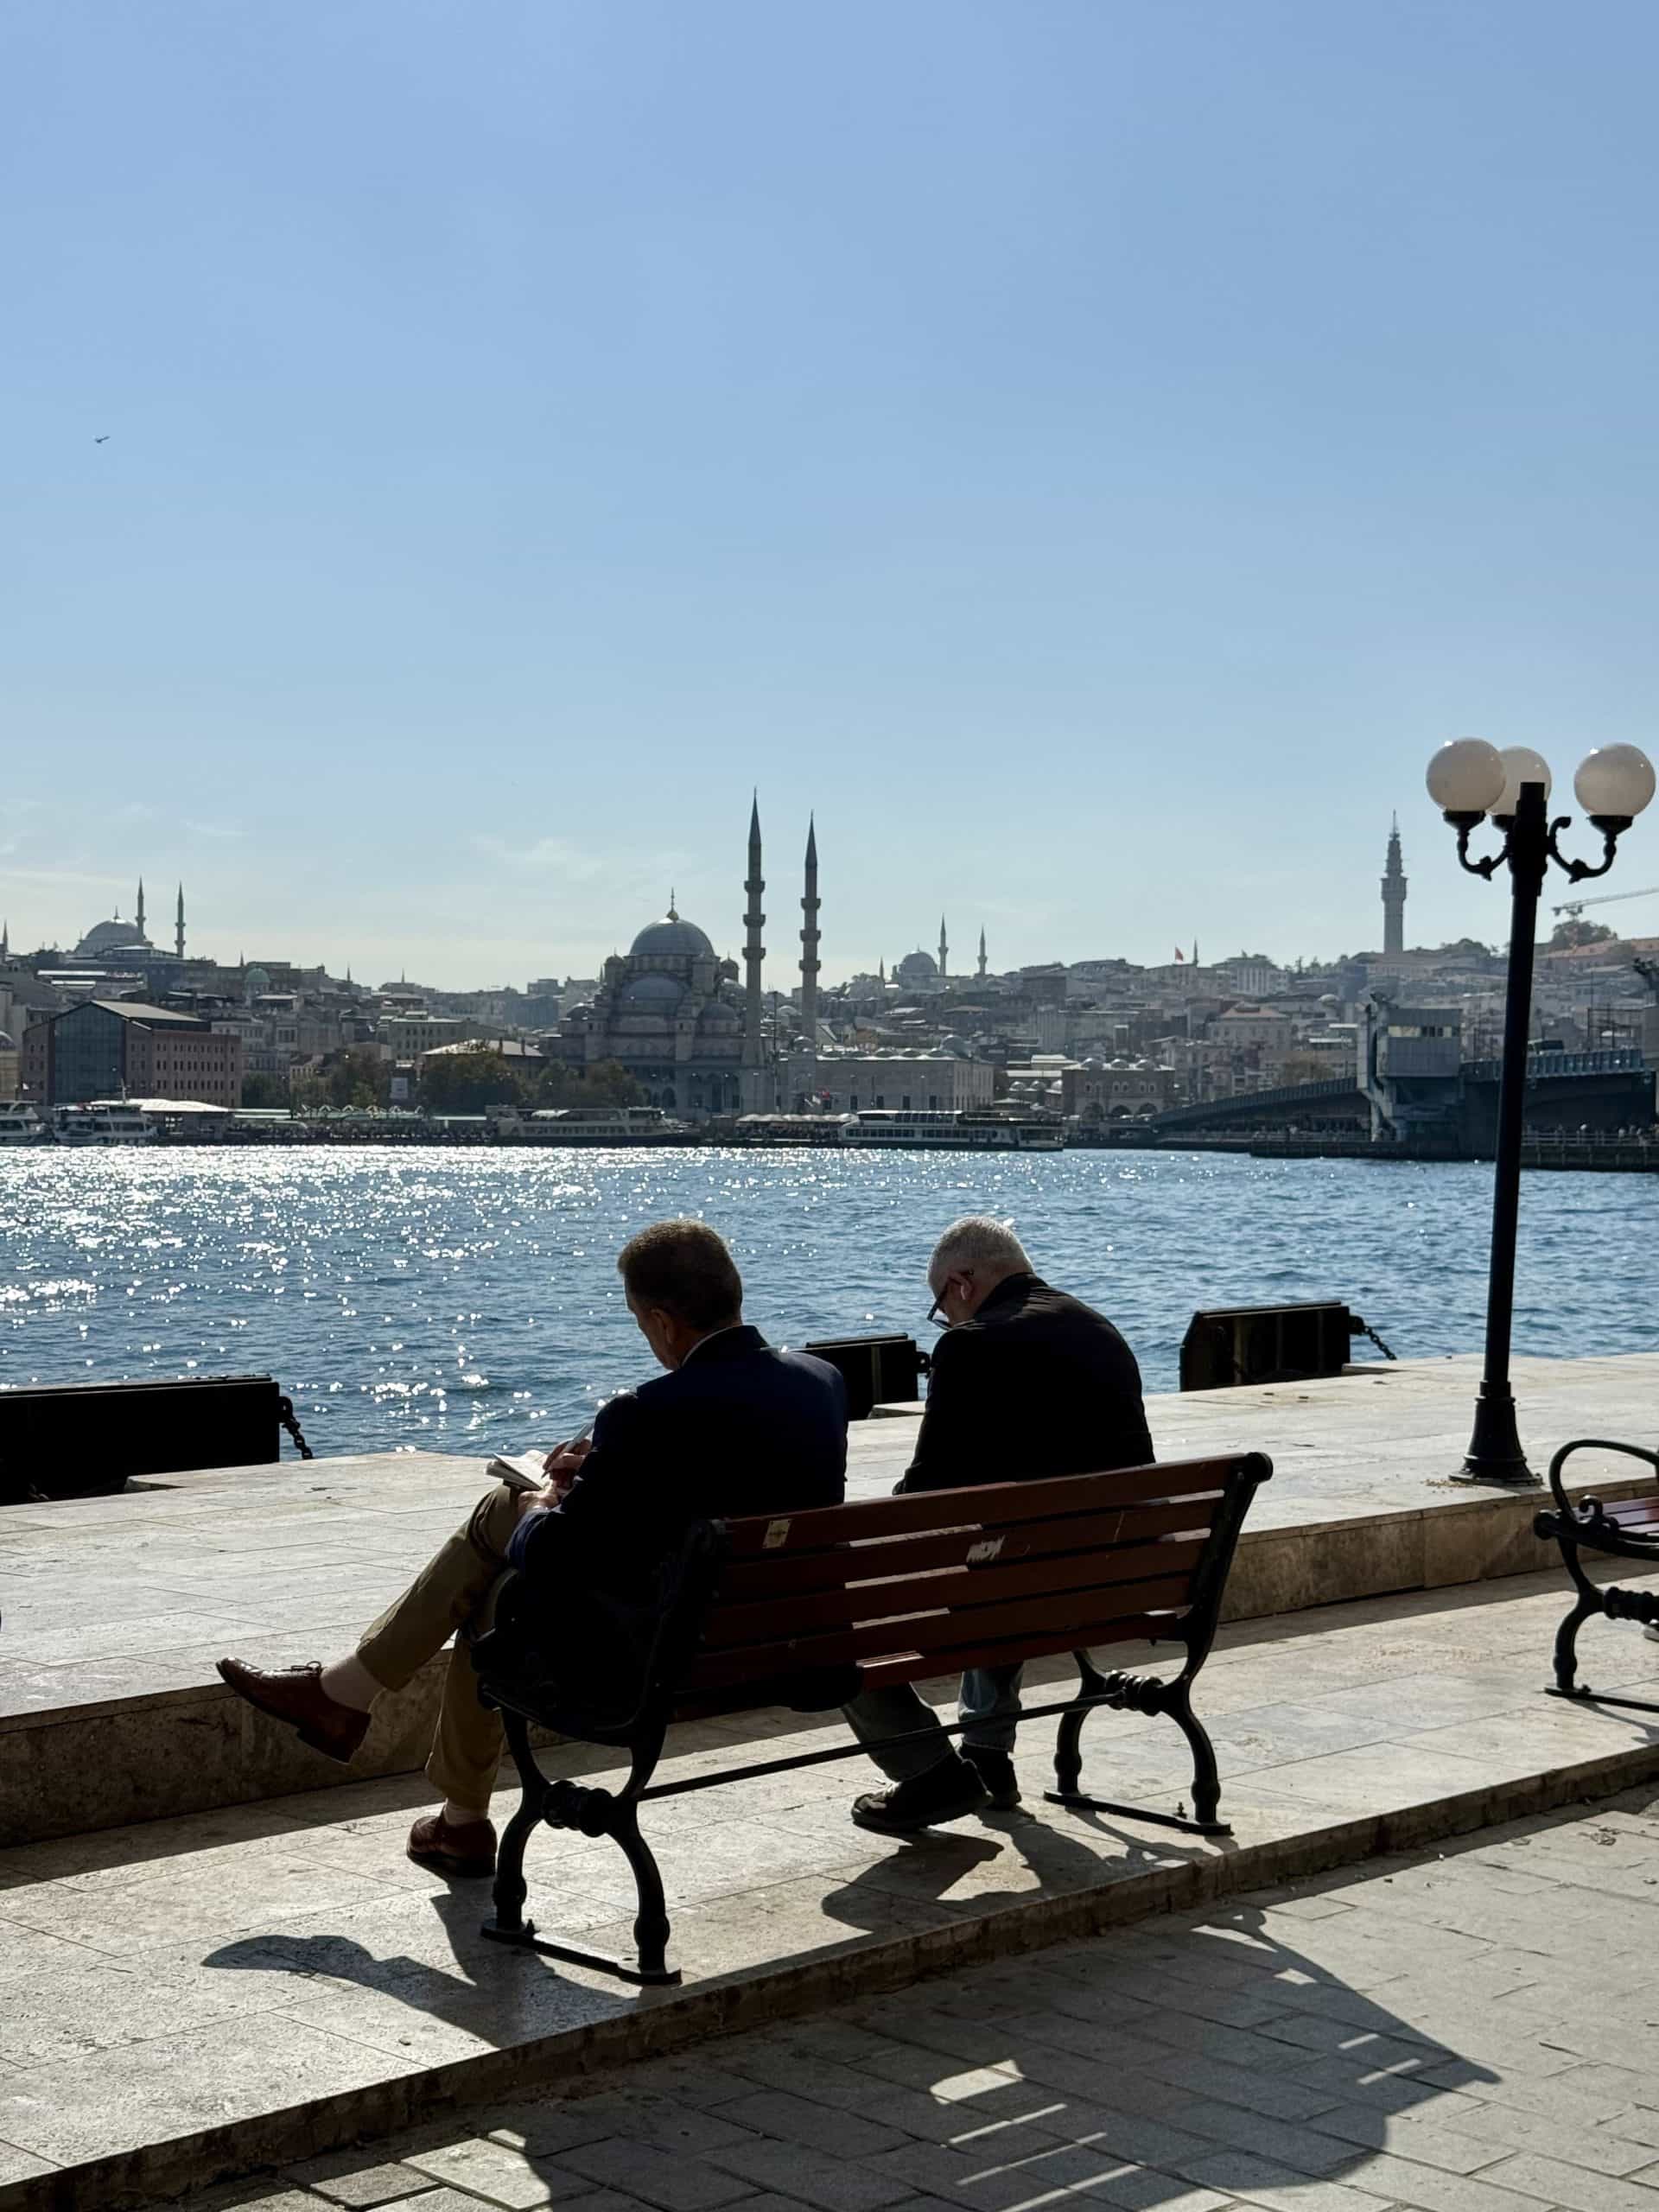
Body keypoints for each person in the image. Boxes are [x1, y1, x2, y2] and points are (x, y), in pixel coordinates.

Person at [218, 1220, 848, 1878]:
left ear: (662, 1323)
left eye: (639, 1322)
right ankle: (383, 1739)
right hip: (781, 1640)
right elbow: (719, 1479)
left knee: (500, 1569)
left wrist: (541, 1504)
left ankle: (379, 1731)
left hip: (654, 1662)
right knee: (495, 1594)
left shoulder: (646, 1413)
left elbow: (555, 1553)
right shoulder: (821, 1382)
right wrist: (604, 1471)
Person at [843, 1216, 1153, 1836]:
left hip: (1025, 1589)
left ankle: (931, 1773)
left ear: (961, 1282)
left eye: (941, 1307)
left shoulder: (973, 1344)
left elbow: (925, 1497)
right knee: (1008, 1551)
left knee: (825, 1617)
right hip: (1124, 1584)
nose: (946, 1322)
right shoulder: (1100, 1328)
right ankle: (985, 1752)